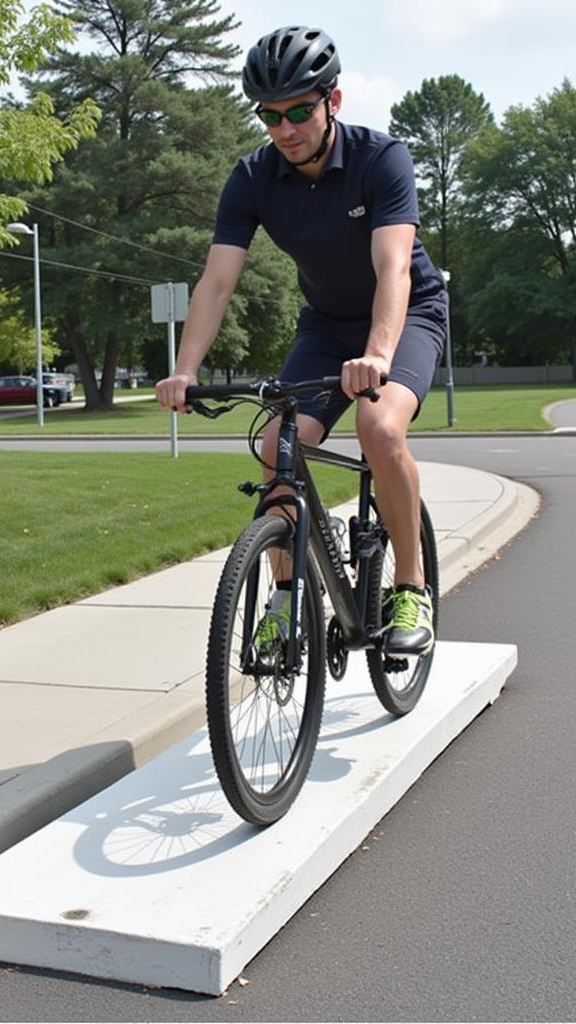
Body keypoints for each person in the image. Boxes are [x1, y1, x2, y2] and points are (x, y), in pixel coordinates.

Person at [154, 25, 446, 657]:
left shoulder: (380, 158)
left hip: (407, 311)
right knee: (275, 444)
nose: (285, 129)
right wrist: (184, 369)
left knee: (381, 429)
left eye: (299, 112)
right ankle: (287, 602)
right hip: (325, 323)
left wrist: (377, 355)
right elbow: (217, 282)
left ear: (331, 103)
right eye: (270, 116)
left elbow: (393, 269)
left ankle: (410, 584)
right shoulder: (253, 177)